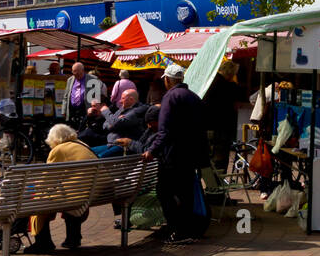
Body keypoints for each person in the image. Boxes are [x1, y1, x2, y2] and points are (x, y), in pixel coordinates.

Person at [143, 64, 210, 244]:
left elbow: (164, 131)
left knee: (164, 192)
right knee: (186, 193)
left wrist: (152, 150)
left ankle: (177, 229)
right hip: (192, 155)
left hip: (173, 155)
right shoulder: (194, 97)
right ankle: (189, 229)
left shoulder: (170, 97)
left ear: (168, 80)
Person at [27, 122, 98, 253]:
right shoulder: (82, 144)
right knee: (71, 195)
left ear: (54, 139)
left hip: (78, 194)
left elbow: (47, 179)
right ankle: (73, 238)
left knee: (38, 200)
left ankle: (43, 243)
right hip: (95, 192)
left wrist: (36, 186)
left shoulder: (58, 150)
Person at [202, 59, 245, 174]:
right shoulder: (229, 87)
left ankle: (209, 187)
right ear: (230, 73)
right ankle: (216, 189)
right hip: (221, 130)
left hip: (206, 128)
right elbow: (236, 105)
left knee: (207, 160)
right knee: (219, 162)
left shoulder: (208, 82)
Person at [90, 89, 149, 158]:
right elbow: (105, 124)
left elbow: (114, 123)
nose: (120, 101)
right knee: (88, 151)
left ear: (131, 99)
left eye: (123, 98)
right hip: (111, 144)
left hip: (123, 147)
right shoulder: (122, 109)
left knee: (98, 157)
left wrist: (106, 111)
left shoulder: (136, 112)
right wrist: (114, 122)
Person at [61, 61, 104, 131]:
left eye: (78, 73)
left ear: (83, 71)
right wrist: (64, 110)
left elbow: (97, 98)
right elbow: (65, 97)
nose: (76, 75)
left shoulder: (93, 79)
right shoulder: (70, 80)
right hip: (72, 112)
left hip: (86, 111)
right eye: (74, 73)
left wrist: (94, 109)